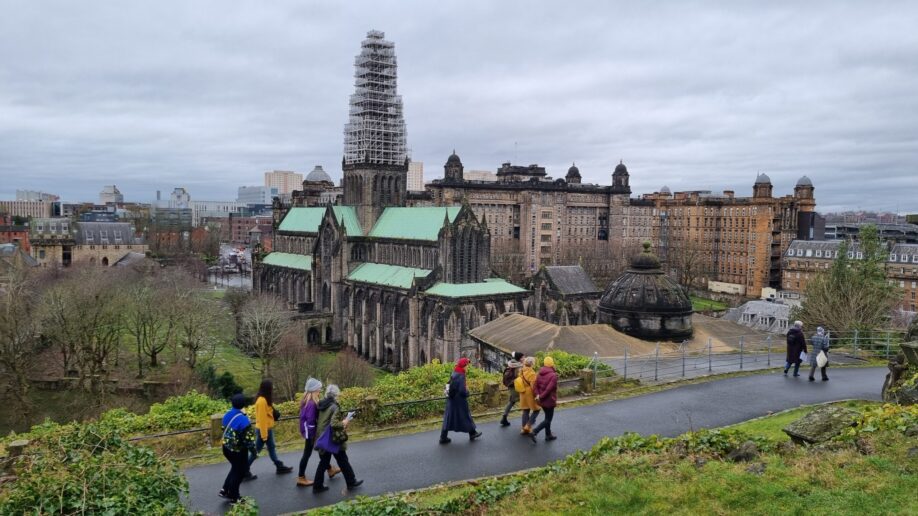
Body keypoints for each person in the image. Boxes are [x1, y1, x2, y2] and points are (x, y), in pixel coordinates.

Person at [312, 384, 363, 493]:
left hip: (323, 436)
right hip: (332, 438)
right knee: (342, 459)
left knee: (325, 462)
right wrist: (344, 422)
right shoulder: (334, 406)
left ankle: (317, 485)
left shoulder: (322, 404)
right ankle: (351, 482)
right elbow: (334, 423)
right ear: (336, 395)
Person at [296, 378, 341, 486]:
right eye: (318, 389)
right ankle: (301, 477)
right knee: (307, 454)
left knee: (320, 451)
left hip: (308, 431)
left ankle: (330, 469)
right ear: (313, 390)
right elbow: (311, 420)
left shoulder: (307, 400)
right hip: (310, 432)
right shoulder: (311, 403)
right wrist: (313, 435)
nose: (320, 391)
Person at [248, 379, 293, 475]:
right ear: (267, 389)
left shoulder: (265, 399)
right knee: (256, 451)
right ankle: (243, 470)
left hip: (267, 429)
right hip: (263, 430)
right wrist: (264, 435)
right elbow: (262, 420)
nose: (273, 389)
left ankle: (279, 466)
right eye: (271, 388)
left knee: (271, 448)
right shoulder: (261, 401)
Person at [219, 393, 256, 503]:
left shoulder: (227, 414)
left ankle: (224, 490)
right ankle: (234, 496)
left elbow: (223, 428)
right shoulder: (244, 420)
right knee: (240, 471)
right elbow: (249, 440)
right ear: (243, 404)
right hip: (238, 450)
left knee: (235, 468)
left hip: (226, 448)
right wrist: (254, 452)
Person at [439, 357, 483, 444]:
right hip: (459, 400)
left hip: (451, 399)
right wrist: (467, 393)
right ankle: (472, 433)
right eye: (467, 365)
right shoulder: (461, 375)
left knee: (449, 417)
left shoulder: (455, 371)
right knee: (465, 416)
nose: (468, 367)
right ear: (464, 366)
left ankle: (443, 437)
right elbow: (462, 390)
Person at [529, 356, 559, 443]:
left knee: (547, 418)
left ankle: (548, 435)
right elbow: (549, 389)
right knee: (548, 420)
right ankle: (535, 431)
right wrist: (541, 396)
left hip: (542, 401)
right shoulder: (553, 375)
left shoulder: (539, 373)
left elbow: (535, 386)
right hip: (549, 400)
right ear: (552, 364)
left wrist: (538, 395)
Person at [499, 352, 524, 427]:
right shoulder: (518, 366)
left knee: (512, 401)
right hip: (517, 386)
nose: (524, 358)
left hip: (511, 386)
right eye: (523, 357)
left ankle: (504, 417)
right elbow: (520, 377)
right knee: (523, 400)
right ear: (519, 358)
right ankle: (527, 419)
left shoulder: (511, 363)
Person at [517, 356, 540, 434]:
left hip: (522, 392)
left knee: (525, 410)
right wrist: (536, 395)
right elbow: (533, 386)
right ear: (532, 364)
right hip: (529, 393)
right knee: (536, 409)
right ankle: (528, 425)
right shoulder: (532, 373)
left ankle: (523, 429)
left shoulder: (522, 370)